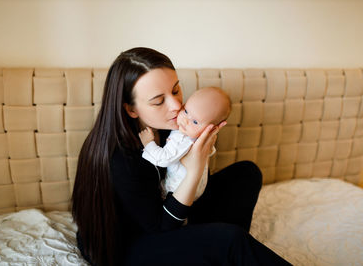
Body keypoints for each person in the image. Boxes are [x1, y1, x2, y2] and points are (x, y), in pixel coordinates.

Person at [72, 47, 291, 266]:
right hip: (133, 243)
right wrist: (194, 170)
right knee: (228, 239)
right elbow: (163, 226)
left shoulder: (171, 125)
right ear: (131, 109)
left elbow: (184, 179)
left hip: (167, 212)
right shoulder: (120, 159)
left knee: (246, 174)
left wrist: (201, 148)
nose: (177, 106)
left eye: (176, 91)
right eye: (159, 101)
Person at [139, 87, 231, 200]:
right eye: (186, 111)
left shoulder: (183, 138)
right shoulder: (199, 138)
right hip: (197, 188)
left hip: (175, 191)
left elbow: (164, 159)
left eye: (195, 122)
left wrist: (148, 143)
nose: (185, 120)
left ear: (210, 129)